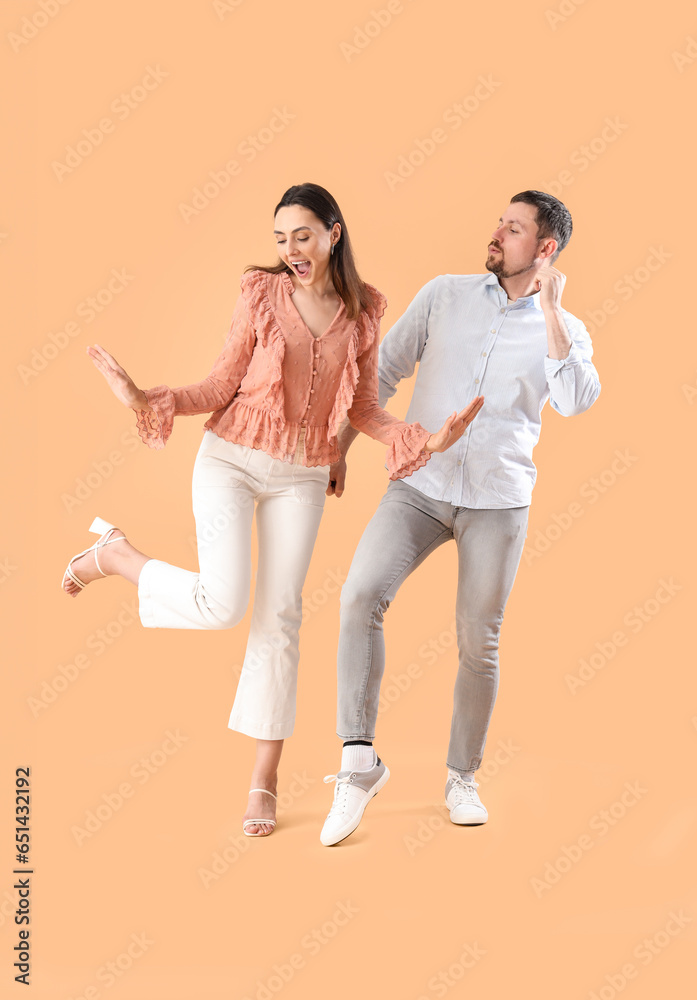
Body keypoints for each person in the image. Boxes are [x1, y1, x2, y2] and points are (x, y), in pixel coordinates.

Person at [61, 182, 483, 838]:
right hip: (229, 459)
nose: (291, 250)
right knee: (222, 604)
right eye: (281, 239)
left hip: (302, 475)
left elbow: (364, 408)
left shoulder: (365, 311)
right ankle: (115, 556)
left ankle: (263, 780)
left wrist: (423, 441)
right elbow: (219, 384)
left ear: (333, 233)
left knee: (280, 618)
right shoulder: (260, 294)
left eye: (303, 236)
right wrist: (144, 396)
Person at [320, 189, 601, 846]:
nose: (497, 233)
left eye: (514, 228)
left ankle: (460, 777)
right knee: (360, 595)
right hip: (421, 485)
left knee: (480, 641)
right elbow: (379, 375)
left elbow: (576, 399)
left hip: (497, 503)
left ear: (545, 248)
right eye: (499, 223)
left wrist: (553, 311)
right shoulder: (443, 294)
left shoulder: (566, 329)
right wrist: (337, 449)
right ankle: (358, 765)